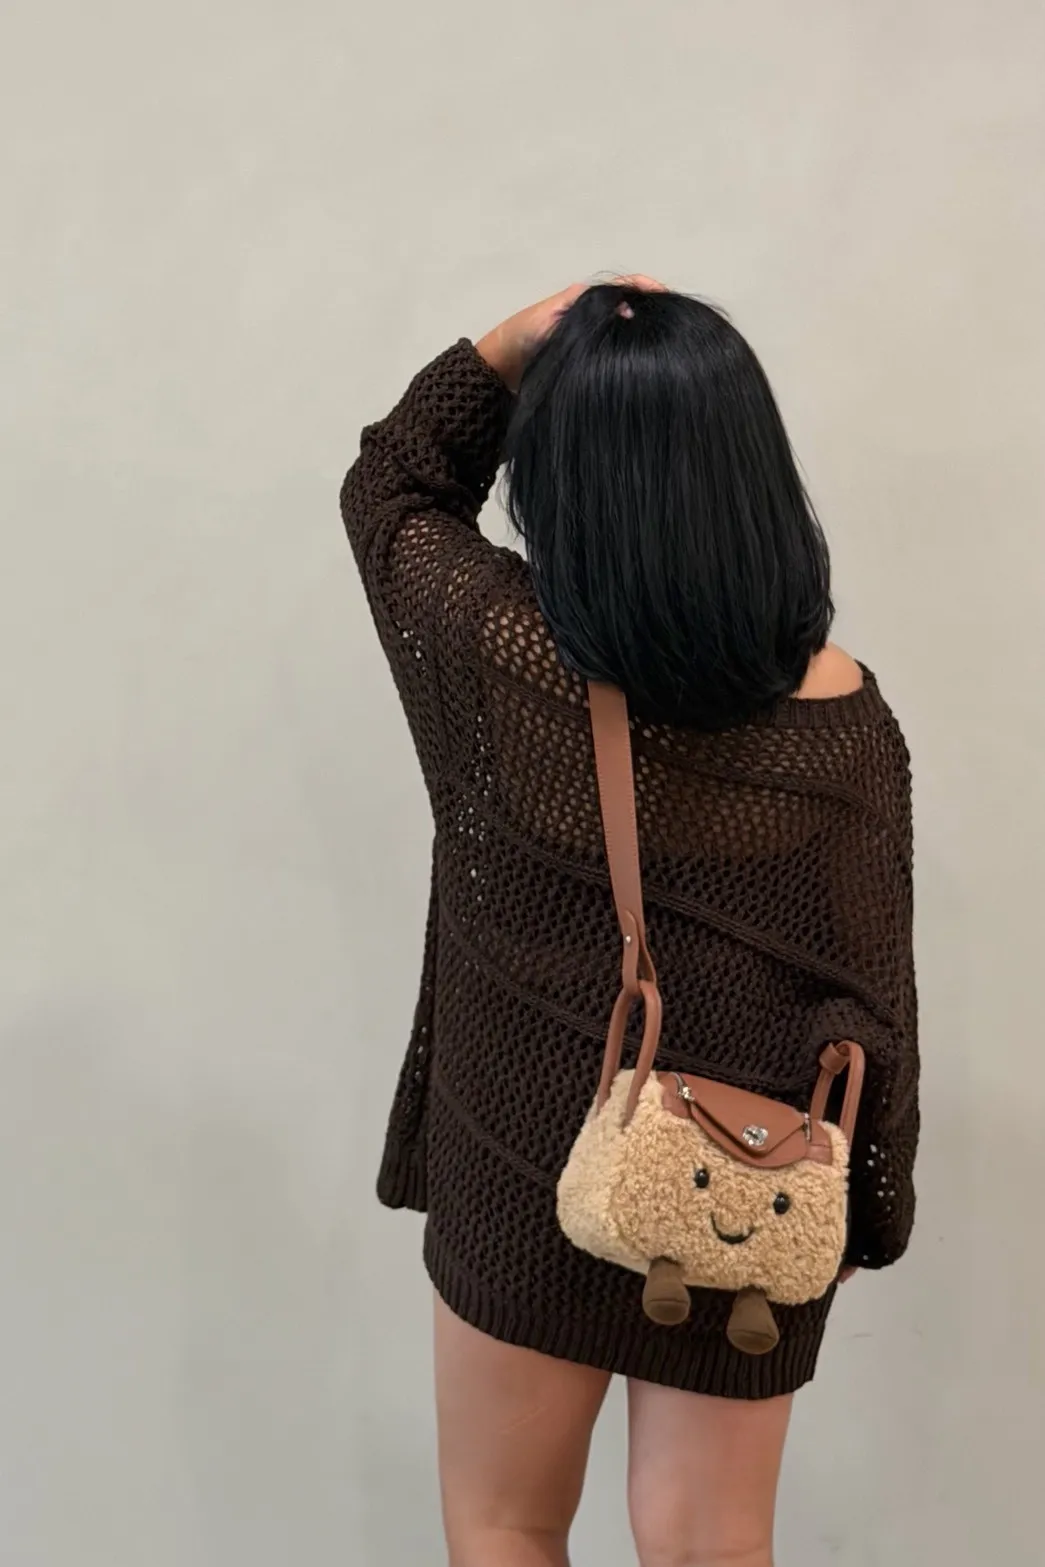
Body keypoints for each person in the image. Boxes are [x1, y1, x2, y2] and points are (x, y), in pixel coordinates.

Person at [339, 278, 918, 1567]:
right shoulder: (849, 724)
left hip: (522, 1154)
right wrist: (864, 1212)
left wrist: (510, 347)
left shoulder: (502, 655)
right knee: (712, 1545)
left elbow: (391, 490)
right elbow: (875, 1000)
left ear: (562, 479)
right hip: (750, 1177)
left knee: (507, 1525)